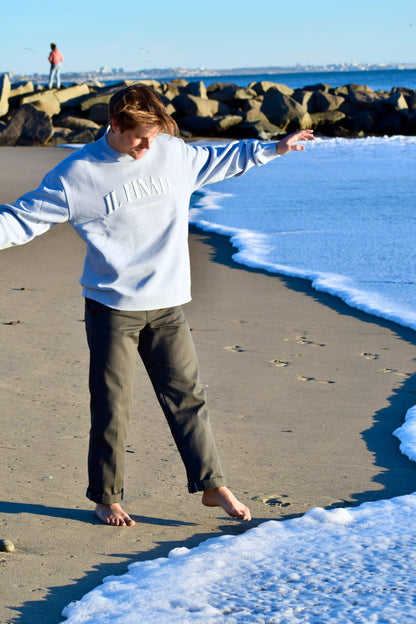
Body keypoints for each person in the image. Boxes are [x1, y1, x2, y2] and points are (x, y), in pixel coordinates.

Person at [0, 84, 314, 527]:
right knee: (111, 405)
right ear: (114, 125)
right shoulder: (78, 174)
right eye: (139, 137)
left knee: (188, 398)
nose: (149, 146)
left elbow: (220, 160)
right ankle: (106, 497)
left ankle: (212, 485)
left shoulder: (171, 151)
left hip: (167, 306)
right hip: (112, 309)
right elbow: (21, 218)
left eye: (155, 135)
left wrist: (273, 149)